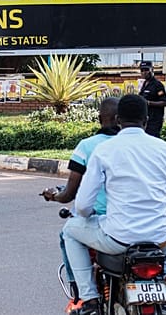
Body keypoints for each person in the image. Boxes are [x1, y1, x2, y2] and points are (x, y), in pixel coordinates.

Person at [62, 95, 166, 315]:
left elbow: (83, 206)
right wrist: (157, 210)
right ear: (147, 120)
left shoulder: (104, 151)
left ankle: (89, 298)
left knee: (70, 232)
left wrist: (91, 214)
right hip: (158, 241)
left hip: (118, 239)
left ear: (118, 120)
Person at [42, 97, 120, 312]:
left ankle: (83, 296)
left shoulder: (89, 147)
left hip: (103, 222)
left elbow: (71, 194)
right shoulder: (141, 148)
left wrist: (54, 196)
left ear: (99, 118)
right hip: (146, 225)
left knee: (68, 233)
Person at [138, 61, 166, 137]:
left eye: (146, 70)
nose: (144, 72)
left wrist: (149, 103)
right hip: (145, 119)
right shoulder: (145, 84)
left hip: (154, 120)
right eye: (142, 70)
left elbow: (165, 102)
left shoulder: (157, 85)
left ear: (152, 70)